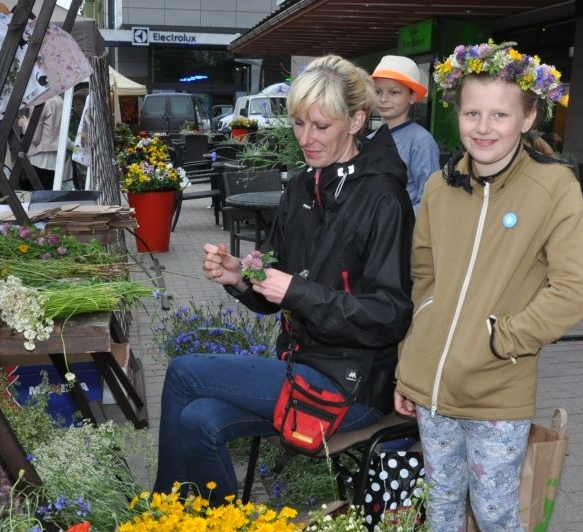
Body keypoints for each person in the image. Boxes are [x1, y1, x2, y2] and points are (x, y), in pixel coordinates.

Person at [393, 41, 583, 532]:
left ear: (529, 117)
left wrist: (499, 339)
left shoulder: (552, 187)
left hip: (499, 387)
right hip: (432, 383)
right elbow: (422, 279)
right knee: (442, 506)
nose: (484, 128)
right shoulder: (438, 184)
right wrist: (412, 361)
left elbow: (574, 289)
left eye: (501, 115)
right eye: (473, 113)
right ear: (457, 113)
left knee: (494, 509)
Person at [154, 55, 414, 505]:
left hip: (353, 385)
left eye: (321, 126)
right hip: (299, 368)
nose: (306, 139)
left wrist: (298, 291)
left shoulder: (383, 198)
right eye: (298, 124)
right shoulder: (301, 188)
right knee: (199, 419)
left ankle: (161, 520)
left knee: (183, 372)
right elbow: (271, 296)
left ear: (355, 121)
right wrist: (239, 277)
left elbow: (391, 316)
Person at [369, 55, 440, 214]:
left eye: (394, 92)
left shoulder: (421, 141)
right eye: (378, 91)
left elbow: (430, 199)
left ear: (412, 97)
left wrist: (397, 223)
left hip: (402, 232)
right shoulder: (369, 139)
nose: (383, 99)